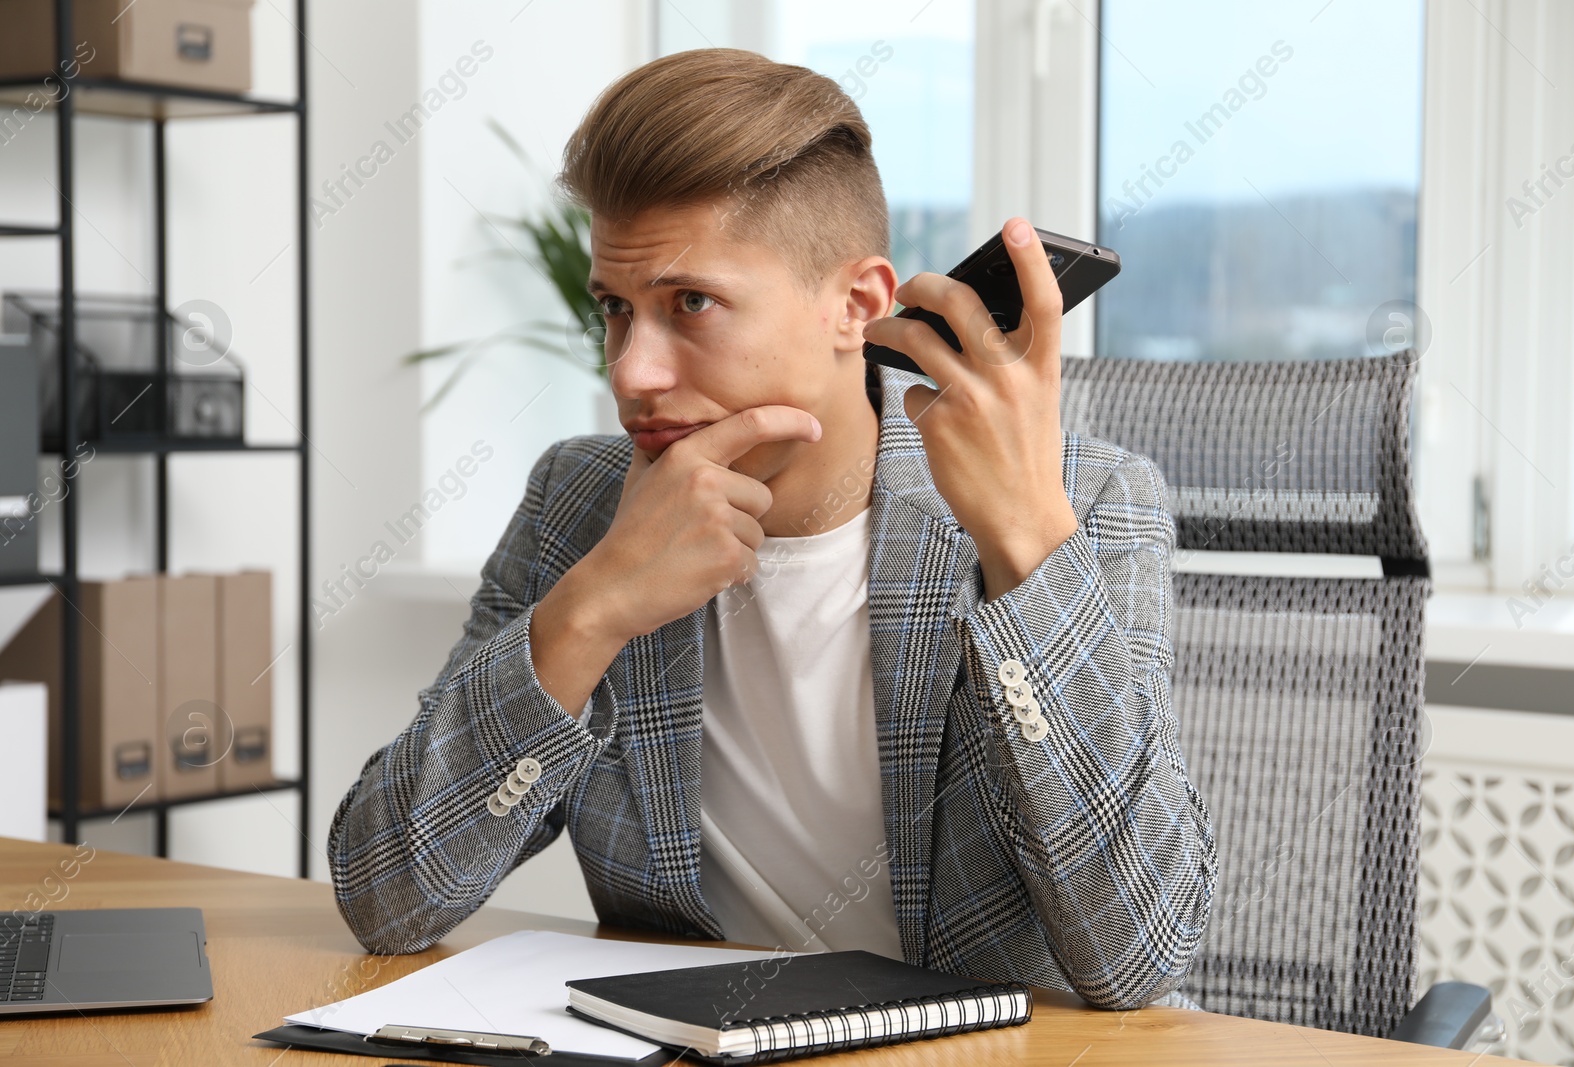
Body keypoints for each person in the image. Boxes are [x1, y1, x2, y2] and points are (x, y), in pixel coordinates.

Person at [327, 47, 1215, 1011]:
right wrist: (590, 612)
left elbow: (1141, 953)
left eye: (691, 304)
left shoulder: (1084, 500)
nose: (631, 373)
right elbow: (387, 897)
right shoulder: (580, 505)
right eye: (617, 313)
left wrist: (1028, 545)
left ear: (858, 306)